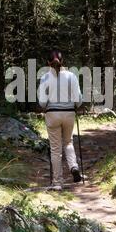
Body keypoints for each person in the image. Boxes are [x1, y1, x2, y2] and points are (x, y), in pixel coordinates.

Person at [38, 49, 83, 189]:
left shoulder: (45, 78)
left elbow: (42, 102)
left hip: (52, 114)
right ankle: (74, 166)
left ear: (48, 63)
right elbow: (78, 99)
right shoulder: (71, 76)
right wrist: (75, 105)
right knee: (68, 142)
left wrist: (46, 106)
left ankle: (57, 182)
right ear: (63, 62)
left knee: (55, 149)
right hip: (69, 113)